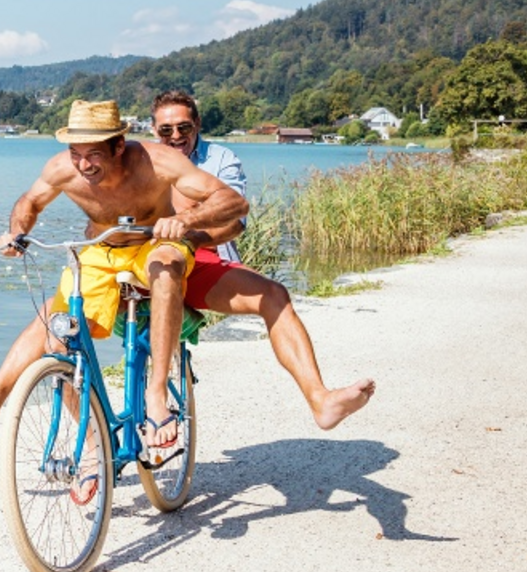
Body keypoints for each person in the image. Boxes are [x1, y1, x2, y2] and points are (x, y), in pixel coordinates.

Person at [0, 99, 247, 457]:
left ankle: (157, 394)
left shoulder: (157, 161)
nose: (84, 164)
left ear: (119, 145)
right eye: (75, 152)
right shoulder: (63, 169)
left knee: (166, 265)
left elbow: (234, 203)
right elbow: (31, 201)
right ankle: (89, 441)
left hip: (154, 245)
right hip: (101, 251)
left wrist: (187, 220)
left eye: (94, 154)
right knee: (58, 338)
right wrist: (17, 233)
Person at [149, 89, 375, 429]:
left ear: (197, 124)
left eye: (184, 127)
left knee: (275, 296)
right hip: (147, 259)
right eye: (166, 130)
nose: (176, 136)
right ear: (154, 131)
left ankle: (321, 400)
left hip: (203, 255)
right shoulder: (141, 161)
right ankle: (94, 448)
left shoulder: (220, 159)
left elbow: (233, 222)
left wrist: (189, 231)